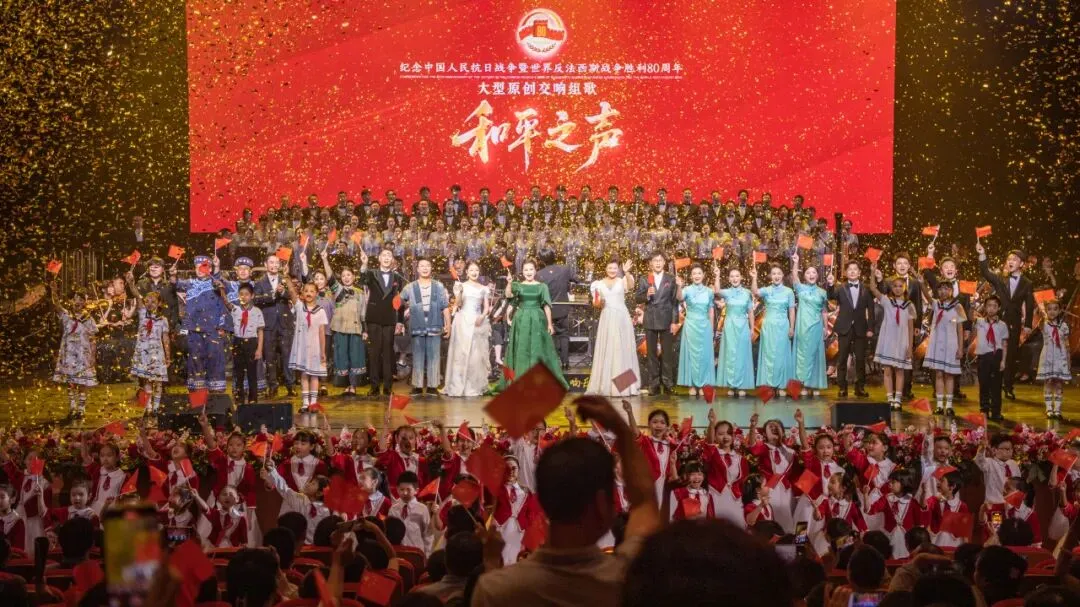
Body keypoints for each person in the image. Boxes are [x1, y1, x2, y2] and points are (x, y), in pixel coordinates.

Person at [472, 396, 662, 606]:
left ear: (543, 499)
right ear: (602, 505)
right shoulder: (625, 580)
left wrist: (491, 563)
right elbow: (645, 502)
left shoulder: (496, 590)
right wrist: (621, 430)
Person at [977, 243, 1035, 400]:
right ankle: (993, 385)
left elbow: (1030, 304)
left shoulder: (1027, 283)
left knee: (1011, 355)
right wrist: (982, 254)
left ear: (1021, 264)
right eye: (1009, 259)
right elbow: (985, 272)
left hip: (1014, 322)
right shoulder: (1001, 279)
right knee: (995, 353)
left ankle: (1008, 386)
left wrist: (1028, 324)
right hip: (998, 322)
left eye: (1014, 259)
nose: (1010, 261)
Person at [501, 259, 568, 389]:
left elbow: (547, 306)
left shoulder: (542, 286)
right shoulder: (518, 285)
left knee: (537, 348)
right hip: (522, 319)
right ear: (522, 272)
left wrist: (550, 324)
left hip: (538, 319)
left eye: (531, 269)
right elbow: (509, 296)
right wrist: (509, 283)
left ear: (535, 270)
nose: (528, 272)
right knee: (522, 348)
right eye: (526, 270)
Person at [586, 259, 639, 396]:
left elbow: (631, 286)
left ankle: (623, 387)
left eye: (615, 268)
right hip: (607, 317)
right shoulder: (598, 284)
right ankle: (607, 386)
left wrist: (627, 272)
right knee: (608, 349)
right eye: (610, 268)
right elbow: (596, 303)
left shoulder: (622, 280)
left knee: (622, 350)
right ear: (605, 269)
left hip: (622, 318)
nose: (612, 270)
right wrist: (599, 302)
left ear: (618, 269)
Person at [400, 258, 451, 396]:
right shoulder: (410, 287)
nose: (425, 268)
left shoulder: (439, 286)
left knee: (434, 356)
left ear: (431, 268)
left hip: (435, 326)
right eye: (421, 266)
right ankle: (417, 386)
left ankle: (432, 386)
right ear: (417, 269)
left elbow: (445, 307)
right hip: (417, 326)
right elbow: (399, 302)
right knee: (417, 356)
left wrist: (448, 325)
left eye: (427, 265)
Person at [868, 266, 916, 411]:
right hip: (888, 340)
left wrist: (910, 347)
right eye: (895, 286)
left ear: (905, 287)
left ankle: (898, 398)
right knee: (888, 370)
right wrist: (872, 272)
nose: (897, 288)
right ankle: (889, 398)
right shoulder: (887, 301)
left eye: (900, 286)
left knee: (900, 370)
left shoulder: (909, 305)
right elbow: (873, 288)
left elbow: (910, 328)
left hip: (902, 341)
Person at [360, 247, 406, 397]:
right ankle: (374, 387)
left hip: (389, 318)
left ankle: (387, 387)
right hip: (374, 317)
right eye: (384, 255)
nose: (386, 258)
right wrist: (364, 264)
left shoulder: (397, 277)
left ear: (392, 259)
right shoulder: (372, 273)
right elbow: (362, 281)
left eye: (389, 255)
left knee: (388, 353)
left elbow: (399, 301)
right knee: (374, 353)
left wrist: (400, 321)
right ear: (379, 258)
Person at [49, 282, 98, 419]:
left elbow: (93, 339)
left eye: (81, 299)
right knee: (70, 382)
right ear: (71, 301)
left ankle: (81, 408)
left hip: (83, 355)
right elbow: (57, 305)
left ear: (84, 302)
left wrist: (93, 356)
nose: (77, 302)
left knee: (82, 381)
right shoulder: (66, 315)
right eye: (75, 299)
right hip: (69, 355)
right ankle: (72, 407)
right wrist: (54, 291)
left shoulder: (88, 319)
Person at [444, 261, 492, 397]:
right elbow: (458, 304)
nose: (474, 272)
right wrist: (459, 292)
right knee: (461, 353)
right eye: (471, 270)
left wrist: (482, 316)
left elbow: (486, 307)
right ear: (467, 272)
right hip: (463, 321)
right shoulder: (462, 286)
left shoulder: (484, 288)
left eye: (476, 270)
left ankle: (473, 385)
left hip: (477, 321)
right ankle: (458, 384)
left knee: (475, 354)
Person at [636, 252, 680, 395]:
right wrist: (646, 295)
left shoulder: (671, 279)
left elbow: (674, 302)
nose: (658, 263)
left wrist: (674, 321)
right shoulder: (644, 279)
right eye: (655, 260)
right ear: (651, 263)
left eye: (660, 260)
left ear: (664, 263)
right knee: (651, 354)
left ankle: (668, 384)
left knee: (667, 354)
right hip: (651, 318)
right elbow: (637, 298)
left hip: (666, 319)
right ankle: (653, 384)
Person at [253, 253, 295, 397]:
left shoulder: (285, 279)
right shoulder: (259, 282)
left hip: (285, 324)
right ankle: (273, 386)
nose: (274, 265)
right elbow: (256, 299)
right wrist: (272, 295)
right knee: (270, 357)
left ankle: (290, 385)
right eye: (271, 262)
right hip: (268, 325)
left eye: (277, 262)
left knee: (287, 355)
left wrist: (283, 292)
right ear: (266, 265)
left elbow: (293, 296)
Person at [283, 275, 327, 414]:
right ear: (302, 293)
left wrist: (323, 351)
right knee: (304, 374)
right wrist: (287, 278)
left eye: (312, 291)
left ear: (316, 293)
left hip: (315, 347)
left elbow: (321, 332)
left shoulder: (320, 311)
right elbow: (292, 292)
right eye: (306, 291)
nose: (308, 293)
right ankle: (305, 402)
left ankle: (313, 402)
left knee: (314, 374)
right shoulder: (299, 307)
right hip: (302, 347)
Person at [922, 280, 967, 415]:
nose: (943, 291)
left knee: (949, 375)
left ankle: (949, 405)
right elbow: (927, 295)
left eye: (946, 289)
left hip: (951, 344)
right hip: (937, 343)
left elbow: (960, 329)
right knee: (939, 374)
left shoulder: (957, 306)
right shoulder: (936, 304)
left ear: (951, 291)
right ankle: (940, 405)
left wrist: (960, 348)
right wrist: (921, 283)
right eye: (940, 289)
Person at [751, 262, 795, 395]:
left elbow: (791, 311)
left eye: (779, 273)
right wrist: (754, 277)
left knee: (781, 355)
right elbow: (755, 292)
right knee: (769, 355)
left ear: (783, 275)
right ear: (770, 276)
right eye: (774, 273)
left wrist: (792, 327)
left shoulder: (789, 292)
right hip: (769, 326)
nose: (776, 276)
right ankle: (769, 385)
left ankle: (781, 385)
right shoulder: (767, 290)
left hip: (783, 326)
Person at [713, 265, 756, 396]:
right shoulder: (727, 292)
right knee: (731, 355)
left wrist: (752, 328)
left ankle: (742, 385)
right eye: (732, 276)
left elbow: (750, 312)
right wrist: (717, 275)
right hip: (730, 326)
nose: (735, 278)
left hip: (743, 326)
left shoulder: (747, 293)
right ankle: (731, 386)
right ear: (729, 279)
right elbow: (717, 291)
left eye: (737, 276)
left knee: (742, 354)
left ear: (741, 277)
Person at [790, 253, 829, 397]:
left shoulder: (822, 292)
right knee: (802, 355)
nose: (811, 275)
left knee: (815, 354)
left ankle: (815, 384)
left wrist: (826, 327)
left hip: (816, 326)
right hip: (802, 327)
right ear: (804, 275)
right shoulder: (800, 288)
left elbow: (824, 311)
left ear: (817, 275)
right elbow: (794, 277)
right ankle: (804, 384)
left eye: (813, 273)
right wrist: (796, 262)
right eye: (808, 272)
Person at [220, 282, 264, 406]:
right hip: (238, 342)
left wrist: (259, 349)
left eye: (246, 294)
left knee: (252, 373)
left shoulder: (257, 311)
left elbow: (260, 331)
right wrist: (222, 289)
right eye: (241, 294)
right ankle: (239, 399)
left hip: (251, 343)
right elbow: (226, 302)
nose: (244, 297)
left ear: (252, 296)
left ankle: (253, 399)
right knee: (238, 372)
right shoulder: (235, 309)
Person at [676, 264, 715, 396]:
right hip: (691, 325)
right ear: (691, 276)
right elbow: (679, 298)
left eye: (699, 273)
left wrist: (711, 329)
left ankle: (704, 384)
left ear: (703, 275)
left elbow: (711, 311)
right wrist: (679, 286)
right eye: (694, 273)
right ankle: (692, 384)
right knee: (691, 355)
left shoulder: (709, 292)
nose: (697, 276)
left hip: (705, 326)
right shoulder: (687, 289)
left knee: (704, 355)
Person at [534, 247, 575, 370]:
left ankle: (550, 362)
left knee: (549, 335)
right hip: (562, 308)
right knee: (564, 335)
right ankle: (565, 362)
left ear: (541, 260)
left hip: (547, 309)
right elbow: (576, 280)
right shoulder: (565, 269)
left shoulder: (539, 274)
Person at [973, 295, 1009, 421]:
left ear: (998, 308)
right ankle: (984, 410)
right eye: (989, 305)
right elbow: (969, 315)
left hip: (996, 355)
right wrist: (970, 301)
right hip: (983, 357)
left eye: (994, 306)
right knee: (984, 384)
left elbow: (1004, 344)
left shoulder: (1002, 325)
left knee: (996, 385)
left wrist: (1003, 361)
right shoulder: (979, 322)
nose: (991, 309)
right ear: (985, 307)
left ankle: (996, 411)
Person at [1036, 299, 1071, 419]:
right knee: (1048, 382)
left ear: (1060, 310)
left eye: (1055, 309)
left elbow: (1067, 344)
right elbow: (1040, 323)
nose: (1052, 312)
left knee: (1058, 384)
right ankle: (1049, 408)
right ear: (1046, 310)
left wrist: (1068, 359)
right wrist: (1041, 314)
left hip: (1060, 358)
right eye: (1049, 309)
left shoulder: (1063, 326)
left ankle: (1057, 409)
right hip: (1048, 357)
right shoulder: (1044, 324)